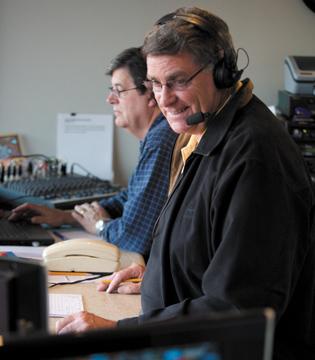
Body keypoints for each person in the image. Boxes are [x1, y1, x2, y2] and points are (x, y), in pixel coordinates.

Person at [55, 7, 315, 359]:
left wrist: (119, 332)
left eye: (178, 81)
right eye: (155, 84)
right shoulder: (197, 128)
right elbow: (207, 242)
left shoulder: (256, 158)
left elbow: (237, 310)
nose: (164, 99)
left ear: (222, 70)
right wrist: (160, 272)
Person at [9, 47, 177, 257]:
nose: (110, 99)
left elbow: (134, 238)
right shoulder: (157, 135)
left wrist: (99, 225)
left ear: (150, 94)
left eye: (119, 90)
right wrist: (67, 216)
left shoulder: (161, 139)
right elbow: (130, 198)